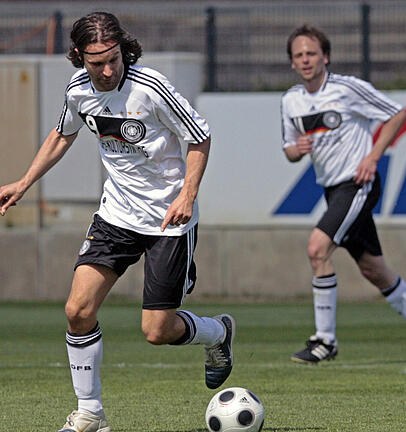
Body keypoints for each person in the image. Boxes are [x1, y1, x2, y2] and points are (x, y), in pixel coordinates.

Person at [0, 12, 235, 432]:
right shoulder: (77, 91)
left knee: (157, 330)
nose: (108, 70)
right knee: (77, 310)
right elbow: (62, 135)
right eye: (97, 62)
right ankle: (90, 413)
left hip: (168, 219)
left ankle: (217, 333)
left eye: (113, 58)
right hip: (115, 216)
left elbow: (199, 136)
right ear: (78, 57)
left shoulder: (151, 87)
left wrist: (188, 193)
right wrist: (24, 182)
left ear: (122, 49)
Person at [280, 25, 406, 364]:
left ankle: (324, 340)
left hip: (357, 184)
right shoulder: (290, 101)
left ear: (325, 57)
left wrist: (372, 158)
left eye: (311, 53)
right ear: (292, 63)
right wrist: (296, 151)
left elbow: (396, 115)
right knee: (374, 268)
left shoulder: (348, 88)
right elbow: (288, 148)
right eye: (299, 55)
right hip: (332, 189)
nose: (305, 59)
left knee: (317, 249)